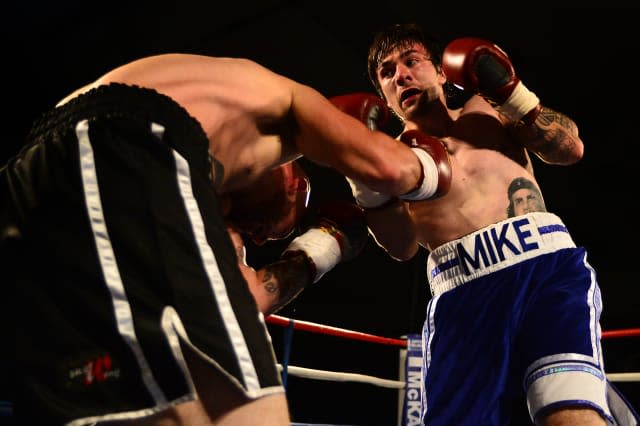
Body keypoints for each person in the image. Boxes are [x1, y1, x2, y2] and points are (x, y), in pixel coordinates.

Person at [0, 53, 451, 425]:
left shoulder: (207, 185)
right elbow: (392, 169)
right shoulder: (288, 99)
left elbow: (242, 301)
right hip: (126, 140)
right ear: (293, 182)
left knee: (124, 409)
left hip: (28, 185)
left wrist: (321, 248)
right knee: (249, 409)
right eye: (277, 224)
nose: (256, 234)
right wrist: (428, 168)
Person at [347, 23, 640, 425]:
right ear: (383, 95)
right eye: (387, 72)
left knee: (572, 415)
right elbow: (401, 247)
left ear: (438, 70)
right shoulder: (391, 160)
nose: (401, 75)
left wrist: (511, 93)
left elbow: (571, 148)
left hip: (545, 273)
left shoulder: (487, 109)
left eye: (411, 61)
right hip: (462, 298)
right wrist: (363, 177)